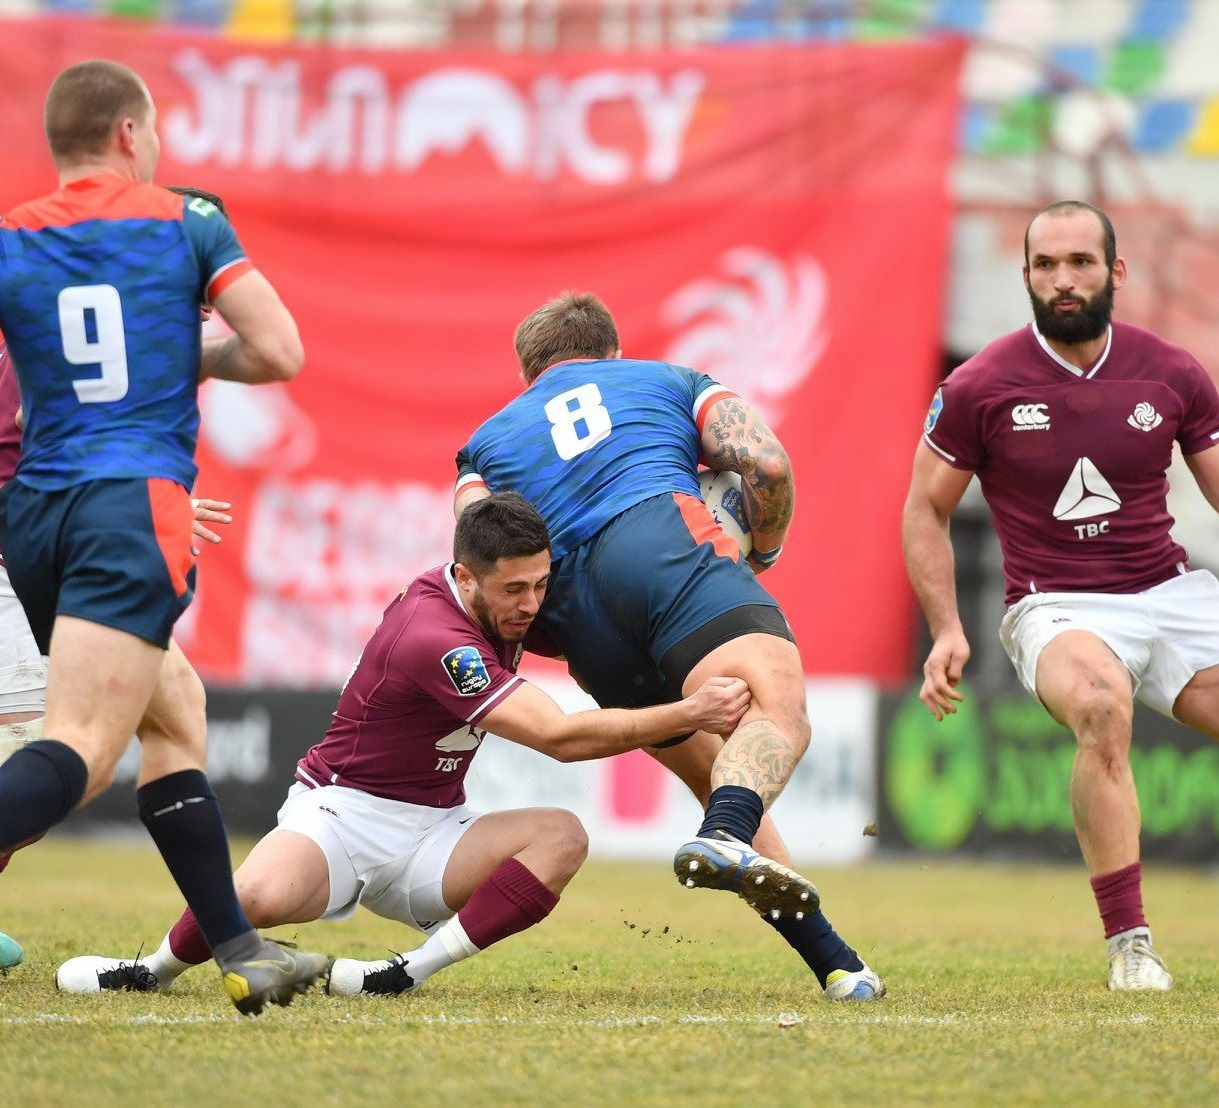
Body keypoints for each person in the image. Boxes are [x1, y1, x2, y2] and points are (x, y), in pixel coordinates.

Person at [56, 493, 752, 997]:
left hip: (435, 831)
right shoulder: (435, 637)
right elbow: (557, 738)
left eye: (541, 584)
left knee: (561, 836)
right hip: (341, 814)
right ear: (465, 576)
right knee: (257, 898)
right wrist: (689, 711)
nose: (531, 605)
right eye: (514, 589)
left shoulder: (499, 595)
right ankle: (151, 972)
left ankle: (398, 975)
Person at [0, 59, 328, 1013]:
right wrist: (194, 356)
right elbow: (279, 350)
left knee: (174, 713)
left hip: (35, 513)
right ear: (131, 134)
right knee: (83, 747)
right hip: (128, 506)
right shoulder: (186, 220)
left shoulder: (12, 237)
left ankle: (240, 947)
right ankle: (240, 947)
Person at [453, 291, 885, 1001]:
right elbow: (767, 465)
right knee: (775, 711)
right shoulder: (670, 381)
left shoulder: (485, 446)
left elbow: (474, 564)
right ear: (611, 351)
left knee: (716, 774)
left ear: (529, 374)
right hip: (661, 545)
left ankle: (837, 964)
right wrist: (762, 550)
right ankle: (725, 835)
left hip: (572, 619)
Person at [903, 198, 1219, 991]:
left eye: (1080, 262)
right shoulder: (979, 385)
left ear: (1114, 271)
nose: (1062, 279)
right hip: (1057, 605)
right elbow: (923, 510)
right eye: (1045, 265)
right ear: (1025, 276)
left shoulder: (1171, 372)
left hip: (1169, 590)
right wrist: (946, 629)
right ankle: (1130, 946)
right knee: (1101, 707)